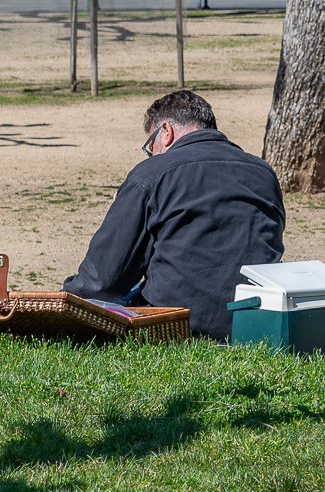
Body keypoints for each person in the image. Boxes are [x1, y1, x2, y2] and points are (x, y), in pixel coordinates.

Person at [62, 90, 286, 341]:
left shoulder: (153, 174)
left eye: (151, 146)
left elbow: (104, 281)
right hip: (254, 323)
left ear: (165, 132)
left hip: (176, 324)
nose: (152, 154)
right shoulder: (263, 173)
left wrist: (64, 300)